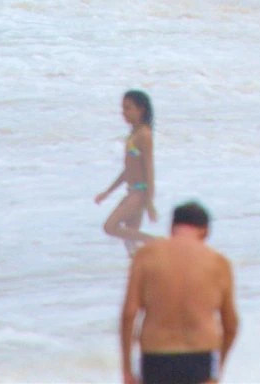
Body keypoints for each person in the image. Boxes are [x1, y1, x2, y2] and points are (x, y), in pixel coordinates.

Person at [120, 201, 238, 384]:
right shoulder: (218, 262)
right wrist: (217, 371)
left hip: (156, 356)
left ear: (172, 228)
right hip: (199, 357)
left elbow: (129, 314)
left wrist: (127, 369)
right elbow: (230, 325)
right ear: (205, 231)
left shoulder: (145, 255)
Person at [97, 90, 160, 252]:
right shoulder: (133, 135)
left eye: (128, 108)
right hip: (131, 192)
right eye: (123, 109)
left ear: (141, 110)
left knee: (110, 227)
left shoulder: (144, 135)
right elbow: (128, 171)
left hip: (139, 194)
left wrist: (149, 203)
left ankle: (158, 242)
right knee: (131, 246)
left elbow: (149, 170)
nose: (123, 113)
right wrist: (107, 192)